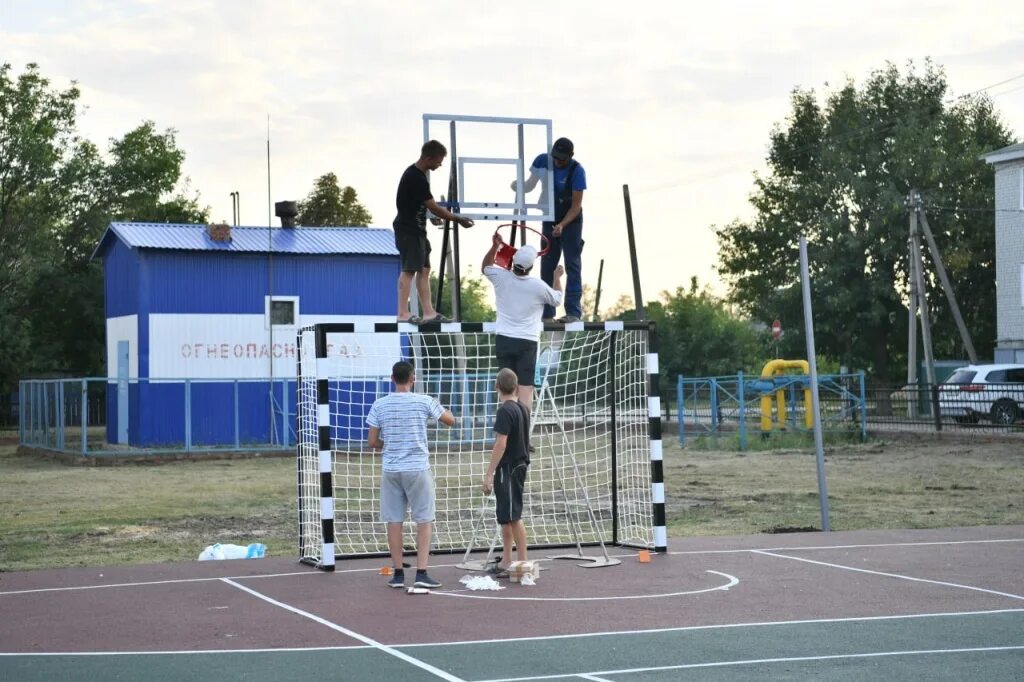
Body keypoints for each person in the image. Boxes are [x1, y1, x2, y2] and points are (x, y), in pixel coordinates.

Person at [366, 360, 456, 588]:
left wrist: (392, 443)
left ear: (392, 378)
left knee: (394, 521)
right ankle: (422, 572)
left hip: (391, 469)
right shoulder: (424, 401)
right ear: (413, 378)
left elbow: (372, 441)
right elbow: (450, 421)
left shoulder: (380, 404)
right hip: (417, 467)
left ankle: (397, 574)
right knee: (424, 519)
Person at [394, 140, 474, 324]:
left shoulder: (420, 176)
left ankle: (429, 312)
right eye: (439, 160)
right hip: (408, 230)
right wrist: (457, 219)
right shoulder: (415, 176)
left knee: (424, 269)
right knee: (409, 270)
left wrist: (430, 215)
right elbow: (434, 206)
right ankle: (402, 313)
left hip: (418, 230)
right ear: (429, 157)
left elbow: (421, 205)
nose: (440, 164)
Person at [482, 235, 564, 413]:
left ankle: (507, 429)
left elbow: (486, 267)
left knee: (506, 389)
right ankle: (523, 435)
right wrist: (557, 277)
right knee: (526, 390)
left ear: (514, 260)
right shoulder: (538, 286)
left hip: (503, 339)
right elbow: (558, 299)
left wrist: (495, 247)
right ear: (531, 267)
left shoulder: (501, 277)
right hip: (527, 342)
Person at [513, 137, 587, 322]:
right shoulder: (542, 161)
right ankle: (547, 314)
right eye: (555, 157)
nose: (557, 161)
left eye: (562, 158)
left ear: (570, 156)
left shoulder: (577, 171)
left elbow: (576, 206)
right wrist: (517, 185)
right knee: (547, 264)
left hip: (571, 220)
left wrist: (562, 225)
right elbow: (529, 186)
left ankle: (573, 312)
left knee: (572, 264)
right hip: (548, 216)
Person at [481, 368, 531, 577]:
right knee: (505, 515)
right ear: (517, 386)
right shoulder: (523, 408)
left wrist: (489, 473)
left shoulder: (505, 410)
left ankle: (522, 563)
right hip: (518, 464)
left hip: (509, 467)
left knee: (514, 516)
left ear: (497, 387)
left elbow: (501, 444)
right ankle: (507, 559)